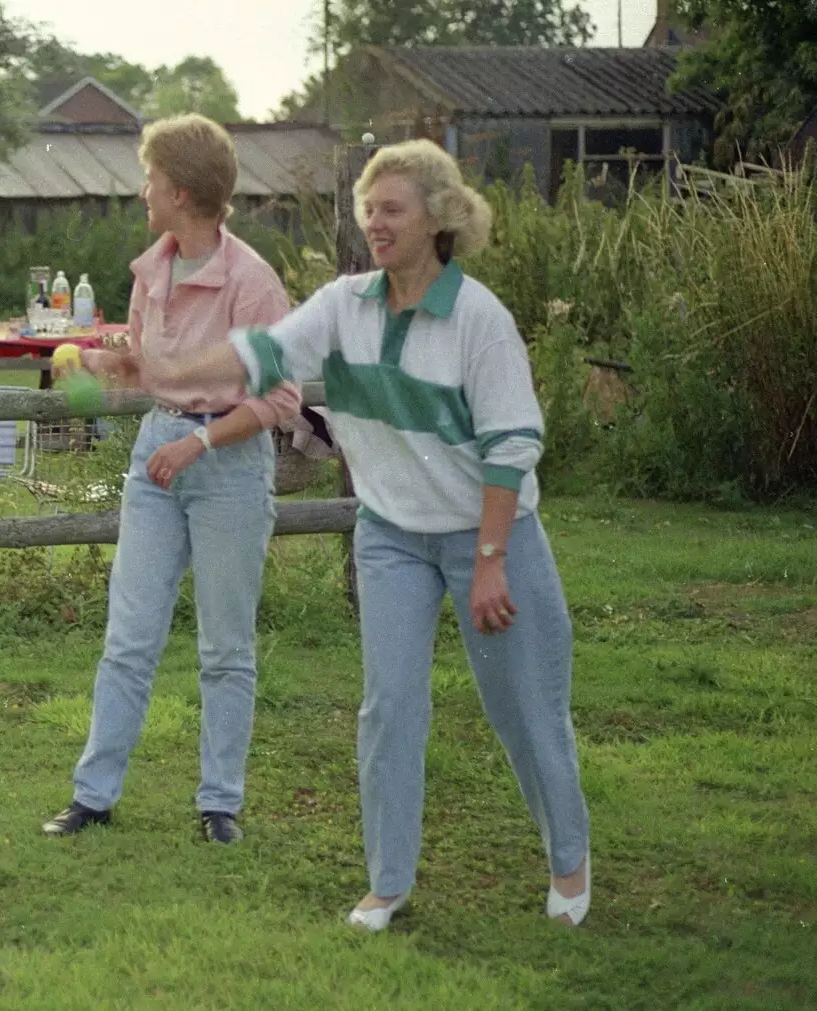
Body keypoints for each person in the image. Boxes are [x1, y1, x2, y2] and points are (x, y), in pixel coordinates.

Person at [146, 139, 591, 927]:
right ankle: (388, 881)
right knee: (388, 706)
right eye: (368, 210)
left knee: (524, 707)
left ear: (439, 217)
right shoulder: (345, 304)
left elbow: (513, 446)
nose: (375, 224)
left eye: (392, 209)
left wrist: (490, 559)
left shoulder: (478, 319)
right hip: (390, 535)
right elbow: (261, 351)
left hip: (491, 534)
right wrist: (160, 372)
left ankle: (568, 860)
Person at [40, 114, 301, 844]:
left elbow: (280, 400)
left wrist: (201, 442)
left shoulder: (252, 283)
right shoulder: (150, 271)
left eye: (149, 180)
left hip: (227, 460)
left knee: (224, 645)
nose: (142, 192)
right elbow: (146, 372)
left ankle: (220, 802)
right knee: (129, 635)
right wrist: (102, 367)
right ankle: (93, 795)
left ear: (181, 191)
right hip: (157, 449)